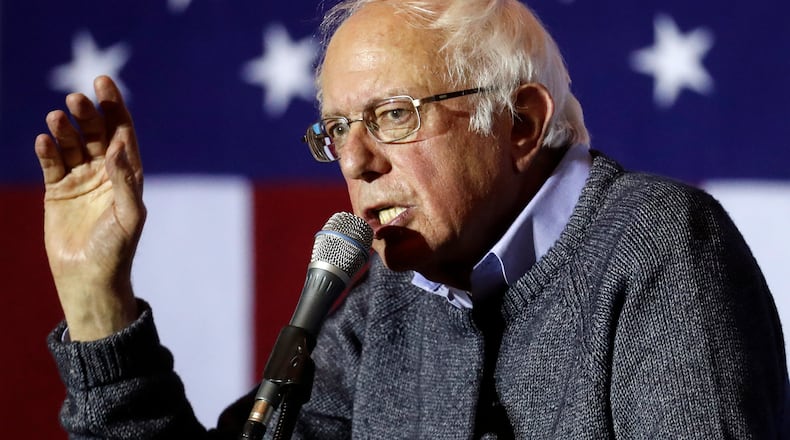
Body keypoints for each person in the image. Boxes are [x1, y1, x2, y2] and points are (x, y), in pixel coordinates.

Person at [37, 0, 788, 438]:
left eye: (393, 115)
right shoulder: (383, 308)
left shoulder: (660, 245)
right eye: (335, 129)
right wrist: (96, 299)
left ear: (520, 123)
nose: (354, 160)